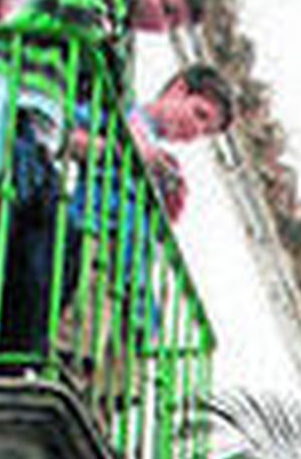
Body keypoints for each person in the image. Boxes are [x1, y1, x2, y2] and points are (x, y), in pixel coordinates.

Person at [0, 0, 210, 361]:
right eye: (167, 9)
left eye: (173, 23)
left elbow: (109, 107)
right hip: (0, 98)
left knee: (55, 248)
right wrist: (128, 130)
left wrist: (129, 146)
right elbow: (81, 18)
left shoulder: (122, 40)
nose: (162, 27)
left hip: (37, 137)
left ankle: (8, 362)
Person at [59, 64, 234, 406]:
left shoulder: (164, 160)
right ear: (178, 89)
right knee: (86, 326)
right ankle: (68, 380)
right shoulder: (123, 117)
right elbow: (64, 134)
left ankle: (100, 415)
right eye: (199, 115)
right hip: (103, 235)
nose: (194, 131)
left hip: (133, 270)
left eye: (203, 131)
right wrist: (126, 153)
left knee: (122, 363)